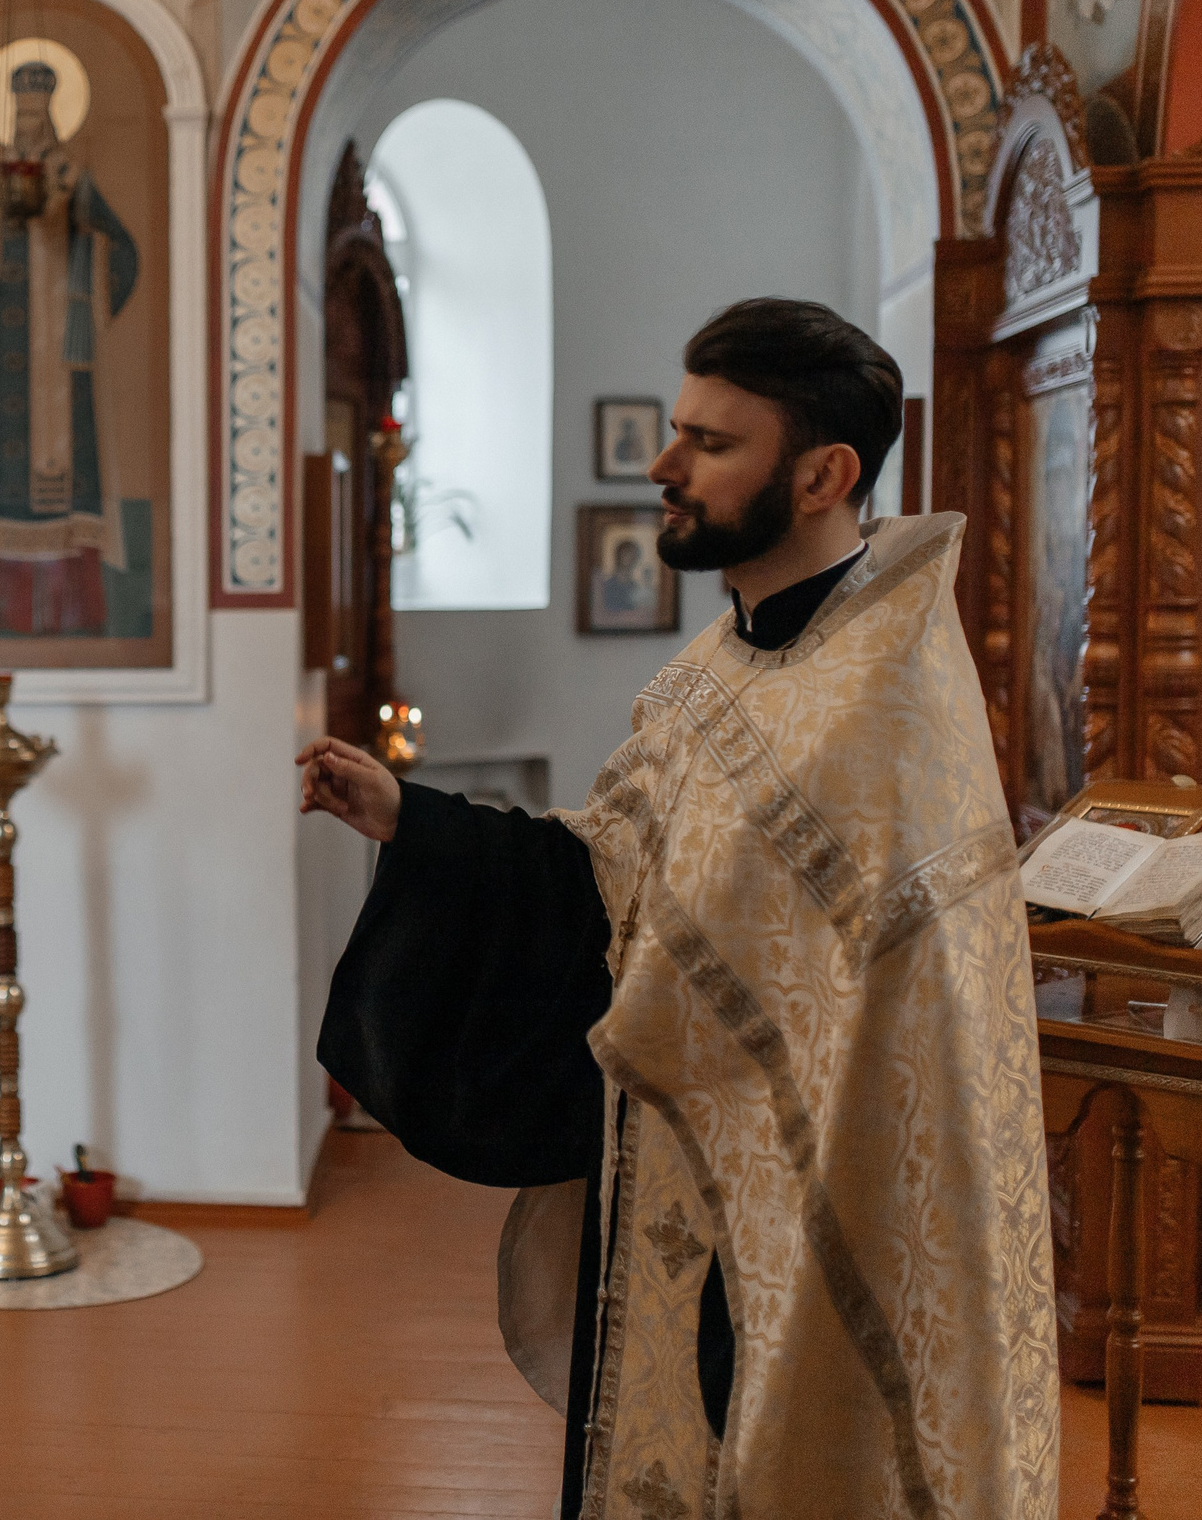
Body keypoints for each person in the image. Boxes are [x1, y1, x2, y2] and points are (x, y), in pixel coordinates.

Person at [302, 299, 1057, 1519]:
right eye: (676, 432)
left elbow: (853, 1017)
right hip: (669, 1186)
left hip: (815, 1224)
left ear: (824, 473)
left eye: (710, 443)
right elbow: (613, 872)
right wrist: (416, 821)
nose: (664, 467)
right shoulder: (721, 665)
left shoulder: (883, 707)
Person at [0, 59, 140, 637]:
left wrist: (77, 224)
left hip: (62, 358)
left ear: (54, 113)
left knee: (71, 487)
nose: (30, 127)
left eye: (39, 114)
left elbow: (119, 249)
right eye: (20, 115)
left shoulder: (73, 177)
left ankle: (78, 613)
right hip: (2, 360)